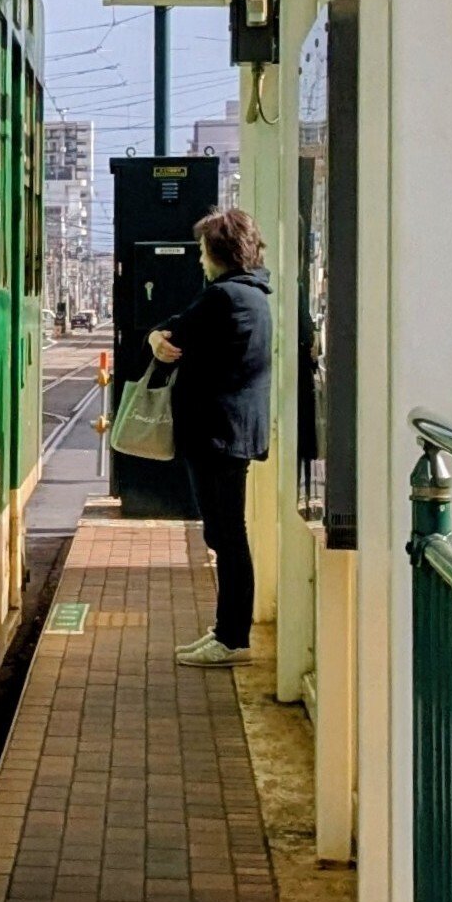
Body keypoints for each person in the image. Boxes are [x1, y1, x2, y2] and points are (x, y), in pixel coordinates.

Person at [149, 205, 273, 663]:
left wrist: (154, 341)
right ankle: (226, 630)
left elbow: (171, 334)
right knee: (226, 534)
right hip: (231, 433)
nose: (199, 259)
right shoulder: (253, 293)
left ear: (217, 252)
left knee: (226, 536)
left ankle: (232, 638)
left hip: (217, 434)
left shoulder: (223, 296)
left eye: (202, 250)